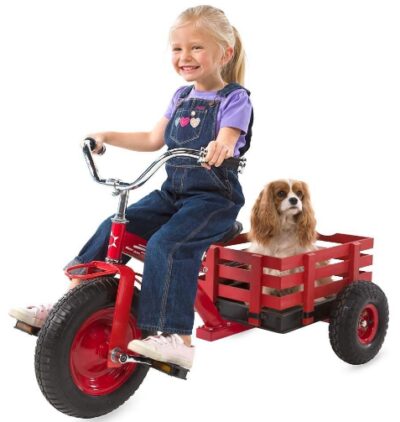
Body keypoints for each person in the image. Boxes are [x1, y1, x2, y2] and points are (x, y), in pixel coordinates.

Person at [9, 5, 253, 370]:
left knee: (166, 245)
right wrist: (106, 135)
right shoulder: (181, 97)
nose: (185, 57)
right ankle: (69, 304)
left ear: (225, 53)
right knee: (114, 226)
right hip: (173, 195)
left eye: (197, 47)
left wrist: (222, 145)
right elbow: (154, 139)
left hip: (213, 199)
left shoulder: (235, 99)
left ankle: (175, 338)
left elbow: (229, 136)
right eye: (177, 49)